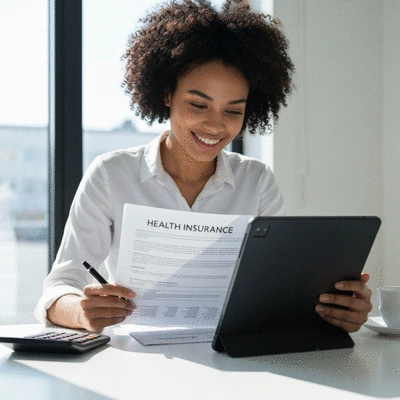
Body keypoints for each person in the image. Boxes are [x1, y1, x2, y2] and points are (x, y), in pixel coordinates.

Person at [35, 0, 372, 333]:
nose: (215, 126)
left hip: (231, 361)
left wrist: (335, 312)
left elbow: (276, 292)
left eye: (233, 111)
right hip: (137, 364)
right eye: (198, 104)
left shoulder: (257, 181)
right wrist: (81, 312)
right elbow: (59, 286)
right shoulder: (111, 174)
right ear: (167, 93)